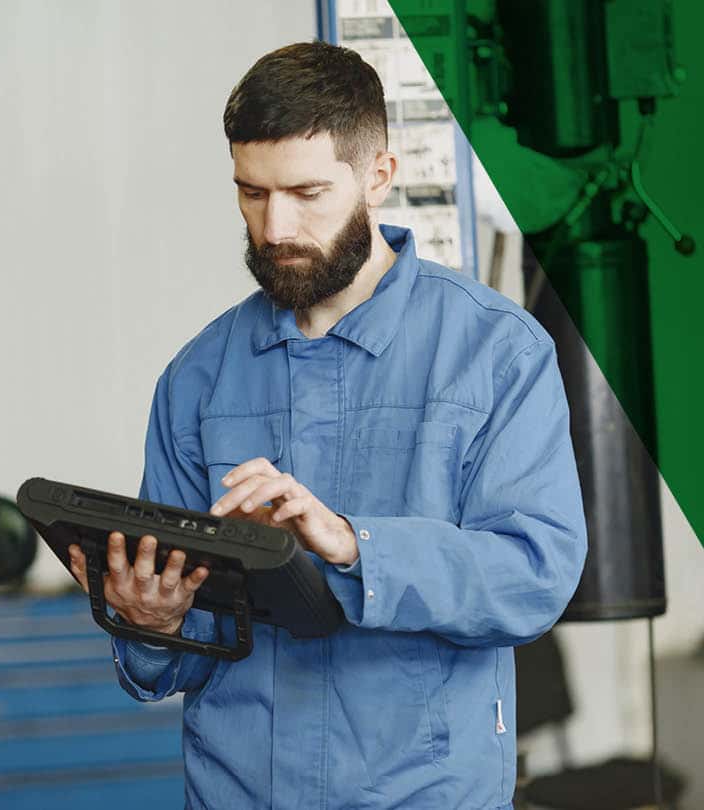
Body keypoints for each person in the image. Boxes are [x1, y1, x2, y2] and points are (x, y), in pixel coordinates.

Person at [68, 41, 587, 809]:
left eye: (306, 192)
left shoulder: (494, 353)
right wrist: (148, 622)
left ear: (379, 174)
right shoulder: (199, 377)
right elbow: (178, 661)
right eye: (251, 192)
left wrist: (356, 543)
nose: (274, 226)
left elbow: (534, 575)